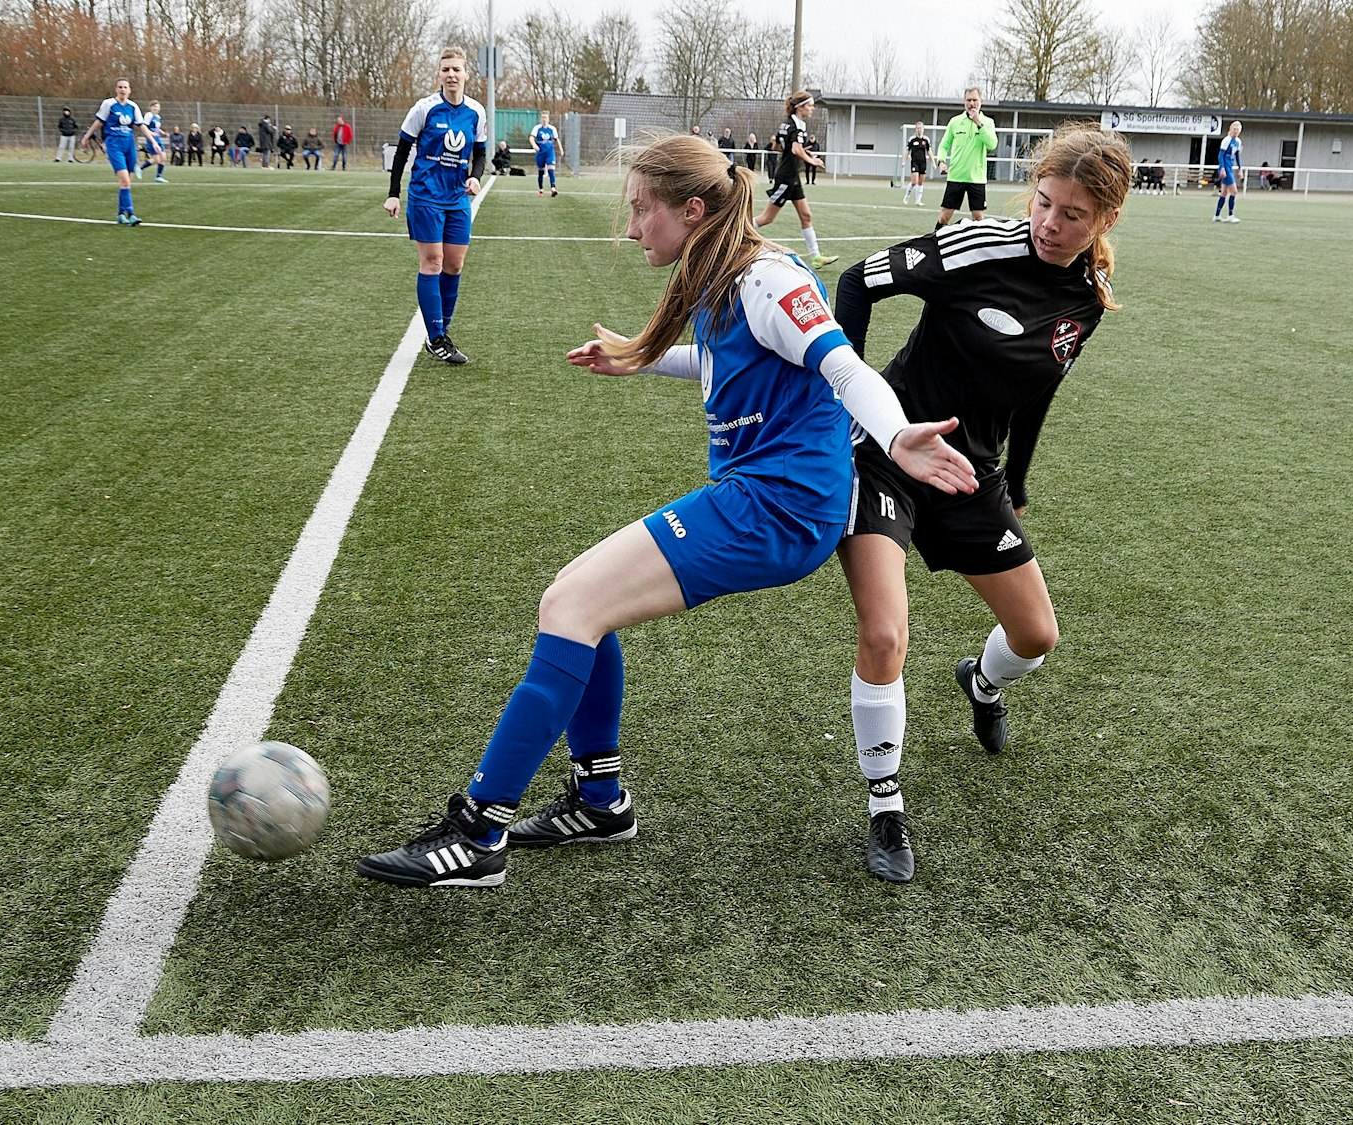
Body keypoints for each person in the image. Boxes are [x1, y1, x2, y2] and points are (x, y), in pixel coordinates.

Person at [354, 133, 976, 890]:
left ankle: (480, 830)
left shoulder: (769, 279)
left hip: (782, 510)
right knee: (579, 601)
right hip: (758, 497)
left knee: (572, 603)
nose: (632, 228)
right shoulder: (716, 271)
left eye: (642, 211)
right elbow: (734, 360)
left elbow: (842, 366)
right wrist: (642, 356)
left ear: (690, 209)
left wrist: (898, 434)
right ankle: (599, 800)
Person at [831, 124, 1129, 883]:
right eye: (1044, 202)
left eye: (1072, 215)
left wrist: (1018, 483)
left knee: (1036, 634)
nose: (1051, 224)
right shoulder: (977, 246)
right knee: (886, 634)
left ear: (1105, 221)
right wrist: (853, 408)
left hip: (973, 474)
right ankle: (885, 804)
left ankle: (981, 682)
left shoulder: (1087, 300)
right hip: (891, 455)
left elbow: (1037, 394)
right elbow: (858, 281)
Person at [388, 46, 488, 365]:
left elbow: (481, 154)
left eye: (456, 69)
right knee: (433, 261)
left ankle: (441, 331)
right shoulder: (424, 108)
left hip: (457, 198)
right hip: (425, 196)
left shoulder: (476, 112)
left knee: (454, 265)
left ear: (466, 74)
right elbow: (402, 152)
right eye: (446, 69)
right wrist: (393, 193)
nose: (451, 75)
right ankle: (436, 337)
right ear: (439, 74)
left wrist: (474, 177)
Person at [754, 90, 836, 268]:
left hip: (792, 177)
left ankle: (816, 257)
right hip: (785, 177)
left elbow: (778, 146)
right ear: (800, 107)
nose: (813, 109)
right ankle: (734, 235)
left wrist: (805, 152)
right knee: (767, 218)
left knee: (806, 216)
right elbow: (794, 150)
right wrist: (811, 160)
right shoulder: (797, 126)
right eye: (811, 106)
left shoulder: (788, 124)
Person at [79, 78, 160, 225]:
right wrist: (87, 136)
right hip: (114, 144)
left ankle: (120, 214)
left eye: (125, 87)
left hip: (129, 144)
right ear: (116, 89)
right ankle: (131, 214)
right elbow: (99, 122)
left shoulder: (133, 106)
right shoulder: (109, 104)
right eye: (120, 87)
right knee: (125, 180)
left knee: (127, 182)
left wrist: (153, 142)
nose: (123, 89)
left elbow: (142, 126)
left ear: (129, 90)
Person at [936, 87, 997, 228]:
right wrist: (941, 161)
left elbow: (992, 144)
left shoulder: (987, 123)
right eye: (968, 100)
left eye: (975, 100)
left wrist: (978, 124)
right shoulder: (955, 122)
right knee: (944, 217)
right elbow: (944, 145)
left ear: (980, 101)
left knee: (979, 218)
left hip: (976, 178)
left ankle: (979, 248)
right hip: (956, 176)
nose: (972, 103)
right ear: (964, 102)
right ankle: (935, 244)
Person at [1212, 120, 1244, 222]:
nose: (1236, 131)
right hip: (1225, 168)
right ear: (1231, 129)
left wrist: (1240, 168)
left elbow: (1237, 156)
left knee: (1224, 193)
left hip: (1229, 167)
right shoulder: (1227, 140)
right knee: (1234, 191)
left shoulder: (1238, 141)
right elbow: (1221, 155)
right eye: (1234, 129)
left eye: (1238, 129)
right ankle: (1230, 215)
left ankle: (1217, 215)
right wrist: (1222, 168)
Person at [531, 111, 561, 196]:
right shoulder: (537, 128)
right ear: (541, 119)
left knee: (551, 169)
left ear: (548, 119)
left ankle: (553, 188)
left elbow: (556, 139)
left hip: (549, 151)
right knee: (541, 171)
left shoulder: (552, 129)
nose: (544, 119)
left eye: (546, 117)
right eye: (543, 117)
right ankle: (541, 189)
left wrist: (561, 149)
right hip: (540, 152)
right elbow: (531, 137)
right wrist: (534, 145)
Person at [901, 122, 931, 205]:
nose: (919, 130)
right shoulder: (912, 139)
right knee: (914, 181)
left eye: (920, 128)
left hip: (923, 163)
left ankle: (918, 201)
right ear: (915, 129)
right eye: (918, 128)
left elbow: (929, 151)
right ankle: (907, 197)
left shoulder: (926, 140)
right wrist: (904, 161)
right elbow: (907, 151)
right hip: (915, 162)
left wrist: (933, 163)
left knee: (921, 182)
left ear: (923, 129)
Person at [143, 100, 170, 182]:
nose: (156, 108)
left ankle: (158, 176)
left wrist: (163, 133)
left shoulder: (158, 117)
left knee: (163, 158)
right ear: (150, 107)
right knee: (156, 160)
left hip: (158, 139)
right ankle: (140, 168)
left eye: (157, 107)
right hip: (151, 140)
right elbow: (144, 127)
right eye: (154, 106)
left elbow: (157, 129)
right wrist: (151, 133)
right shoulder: (148, 115)